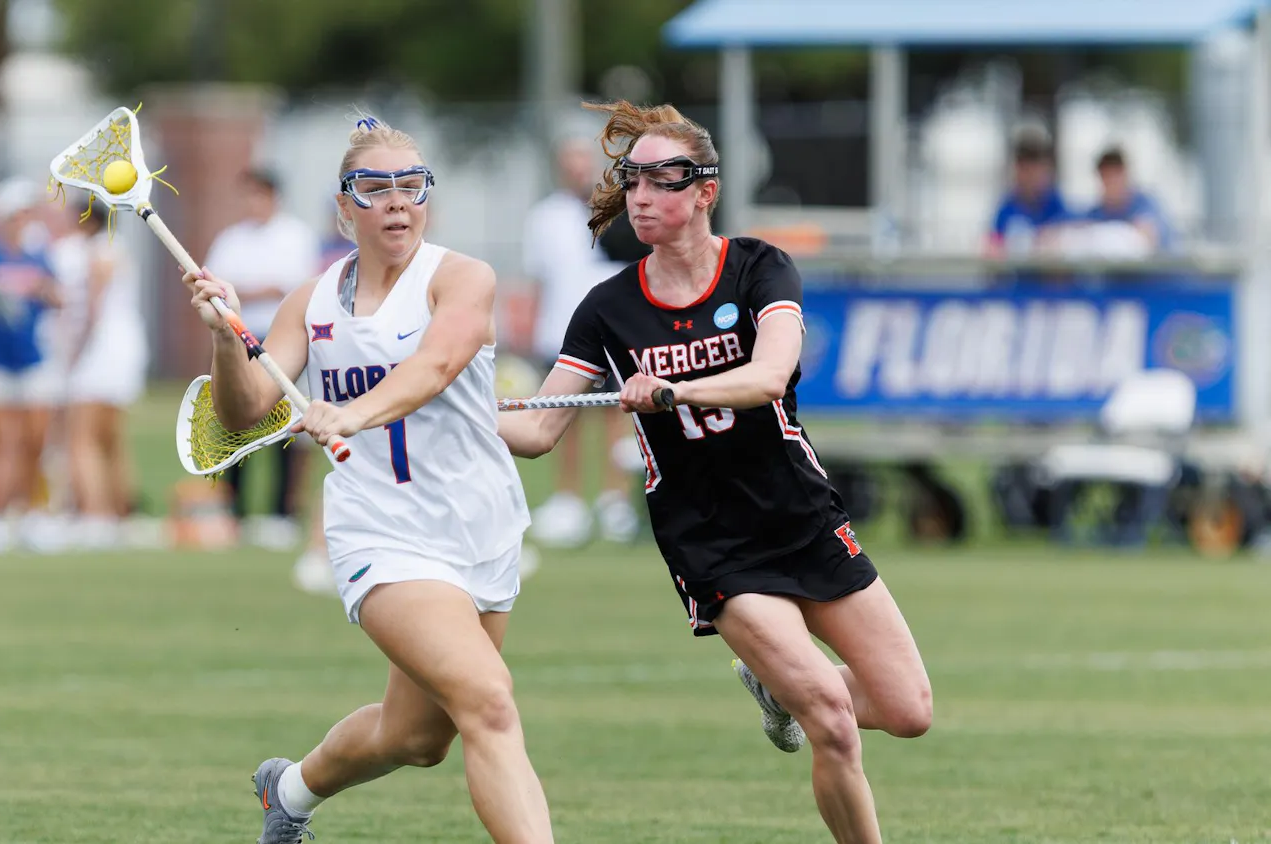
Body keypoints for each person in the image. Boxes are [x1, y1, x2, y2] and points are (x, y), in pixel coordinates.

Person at [496, 100, 932, 844]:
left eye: (661, 181)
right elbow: (537, 429)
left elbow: (768, 377)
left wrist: (674, 391)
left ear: (704, 191)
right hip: (713, 542)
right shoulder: (607, 309)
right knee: (831, 715)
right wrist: (445, 406)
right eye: (631, 181)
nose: (640, 197)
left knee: (907, 711)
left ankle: (775, 688)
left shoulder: (760, 268)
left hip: (802, 517)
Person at [182, 114, 554, 844]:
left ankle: (287, 790)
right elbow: (244, 412)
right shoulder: (311, 302)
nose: (395, 201)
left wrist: (353, 412)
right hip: (381, 532)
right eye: (374, 187)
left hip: (480, 528)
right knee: (489, 702)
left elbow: (437, 365)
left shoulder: (462, 278)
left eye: (411, 185)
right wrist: (226, 337)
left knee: (418, 738)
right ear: (342, 206)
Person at [522, 137, 639, 547]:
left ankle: (614, 500)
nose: (578, 169)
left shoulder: (621, 208)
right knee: (562, 418)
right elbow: (538, 279)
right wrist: (530, 332)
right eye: (570, 161)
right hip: (559, 333)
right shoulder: (545, 217)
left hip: (614, 331)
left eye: (583, 161)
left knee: (617, 415)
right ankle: (568, 501)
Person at [203, 168, 320, 555]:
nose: (251, 204)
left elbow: (290, 287)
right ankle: (234, 511)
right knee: (235, 426)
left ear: (273, 197)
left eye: (258, 195)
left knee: (284, 425)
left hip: (282, 340)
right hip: (238, 338)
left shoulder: (295, 236)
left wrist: (243, 292)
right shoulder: (231, 239)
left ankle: (280, 513)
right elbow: (214, 288)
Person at [0, 177, 62, 554]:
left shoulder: (39, 256)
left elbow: (57, 297)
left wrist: (42, 290)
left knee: (34, 443)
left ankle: (30, 514)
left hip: (32, 360)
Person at [65, 209, 147, 546]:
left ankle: (95, 514)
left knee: (83, 438)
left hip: (102, 351)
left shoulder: (98, 253)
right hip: (126, 348)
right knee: (111, 438)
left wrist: (75, 351)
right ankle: (120, 511)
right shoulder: (119, 248)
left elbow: (94, 310)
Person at [987, 128, 1070, 257]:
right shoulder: (1007, 207)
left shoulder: (1057, 205)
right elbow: (993, 246)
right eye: (1025, 169)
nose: (1030, 176)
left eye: (1035, 169)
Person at [1081, 146, 1175, 255]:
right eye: (1106, 177)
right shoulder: (1096, 212)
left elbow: (1149, 234)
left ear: (1125, 175)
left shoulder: (1145, 203)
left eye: (1115, 176)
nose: (1111, 183)